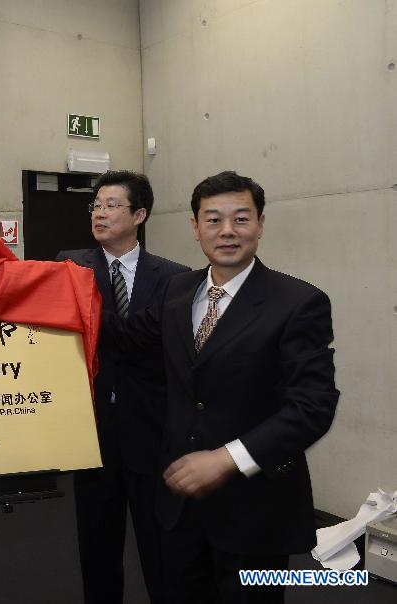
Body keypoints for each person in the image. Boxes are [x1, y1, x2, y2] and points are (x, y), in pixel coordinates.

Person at [109, 171, 339, 603]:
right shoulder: (176, 291)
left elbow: (313, 406)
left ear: (260, 224)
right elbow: (122, 337)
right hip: (178, 507)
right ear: (195, 227)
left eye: (241, 218)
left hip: (253, 510)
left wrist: (227, 459)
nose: (227, 231)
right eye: (213, 220)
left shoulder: (297, 302)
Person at [56, 170, 188, 603]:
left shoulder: (174, 277)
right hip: (93, 432)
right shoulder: (69, 267)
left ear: (139, 215)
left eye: (112, 205)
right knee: (97, 548)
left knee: (160, 549)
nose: (100, 213)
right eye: (95, 205)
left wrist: (96, 322)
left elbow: (163, 347)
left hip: (152, 431)